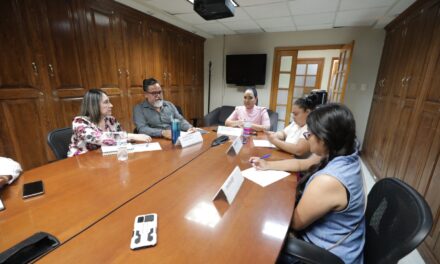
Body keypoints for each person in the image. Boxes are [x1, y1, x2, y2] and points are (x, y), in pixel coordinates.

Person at [250, 103, 365, 263]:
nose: (306, 137)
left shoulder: (329, 181)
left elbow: (296, 223)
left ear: (324, 139)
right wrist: (268, 165)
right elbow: (302, 164)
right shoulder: (342, 152)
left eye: (309, 134)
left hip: (325, 256)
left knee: (255, 235)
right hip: (335, 242)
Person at [68, 89, 151, 157]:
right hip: (81, 163)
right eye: (106, 102)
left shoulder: (111, 120)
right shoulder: (79, 122)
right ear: (94, 105)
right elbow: (99, 138)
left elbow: (121, 138)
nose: (111, 105)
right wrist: (132, 135)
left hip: (105, 159)